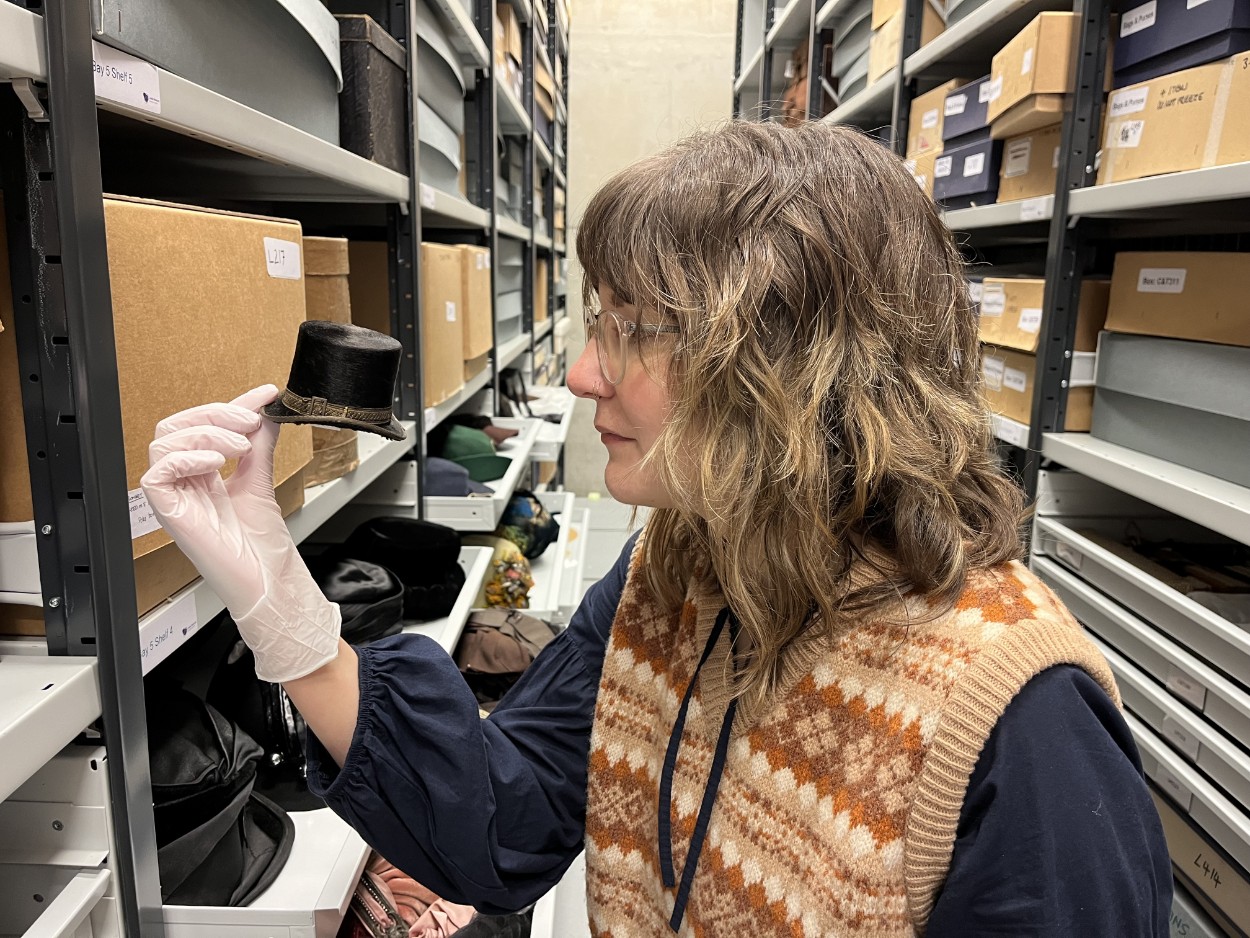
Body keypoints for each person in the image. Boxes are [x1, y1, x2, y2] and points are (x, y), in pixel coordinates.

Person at [141, 121, 1171, 936]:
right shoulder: (677, 566)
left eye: (633, 327)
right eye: (598, 320)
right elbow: (501, 824)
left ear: (795, 367)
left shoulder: (1020, 726)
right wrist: (282, 608)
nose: (584, 371)